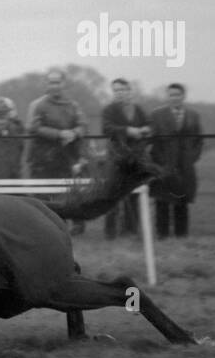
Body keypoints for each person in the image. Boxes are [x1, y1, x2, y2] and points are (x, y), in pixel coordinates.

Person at [27, 69, 88, 235]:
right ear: (47, 85)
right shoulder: (39, 105)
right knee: (43, 195)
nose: (54, 86)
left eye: (57, 82)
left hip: (67, 157)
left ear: (63, 84)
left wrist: (74, 132)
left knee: (70, 192)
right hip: (43, 158)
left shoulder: (73, 105)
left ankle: (74, 227)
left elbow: (83, 125)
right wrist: (59, 134)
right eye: (51, 82)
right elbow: (34, 127)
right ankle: (44, 228)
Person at [147, 83, 204, 239]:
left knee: (182, 200)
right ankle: (162, 234)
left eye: (177, 95)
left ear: (183, 96)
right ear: (167, 96)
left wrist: (192, 157)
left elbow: (199, 140)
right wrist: (159, 162)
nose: (174, 98)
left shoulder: (193, 115)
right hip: (163, 165)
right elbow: (152, 141)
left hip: (185, 166)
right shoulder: (156, 115)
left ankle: (181, 234)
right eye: (171, 95)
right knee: (162, 200)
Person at [100, 78, 152, 239]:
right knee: (112, 195)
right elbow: (106, 128)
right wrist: (128, 131)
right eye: (116, 90)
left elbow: (149, 125)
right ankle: (110, 233)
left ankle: (130, 231)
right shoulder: (108, 110)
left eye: (122, 90)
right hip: (116, 158)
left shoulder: (138, 109)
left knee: (134, 195)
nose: (119, 93)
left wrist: (146, 129)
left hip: (135, 158)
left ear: (129, 91)